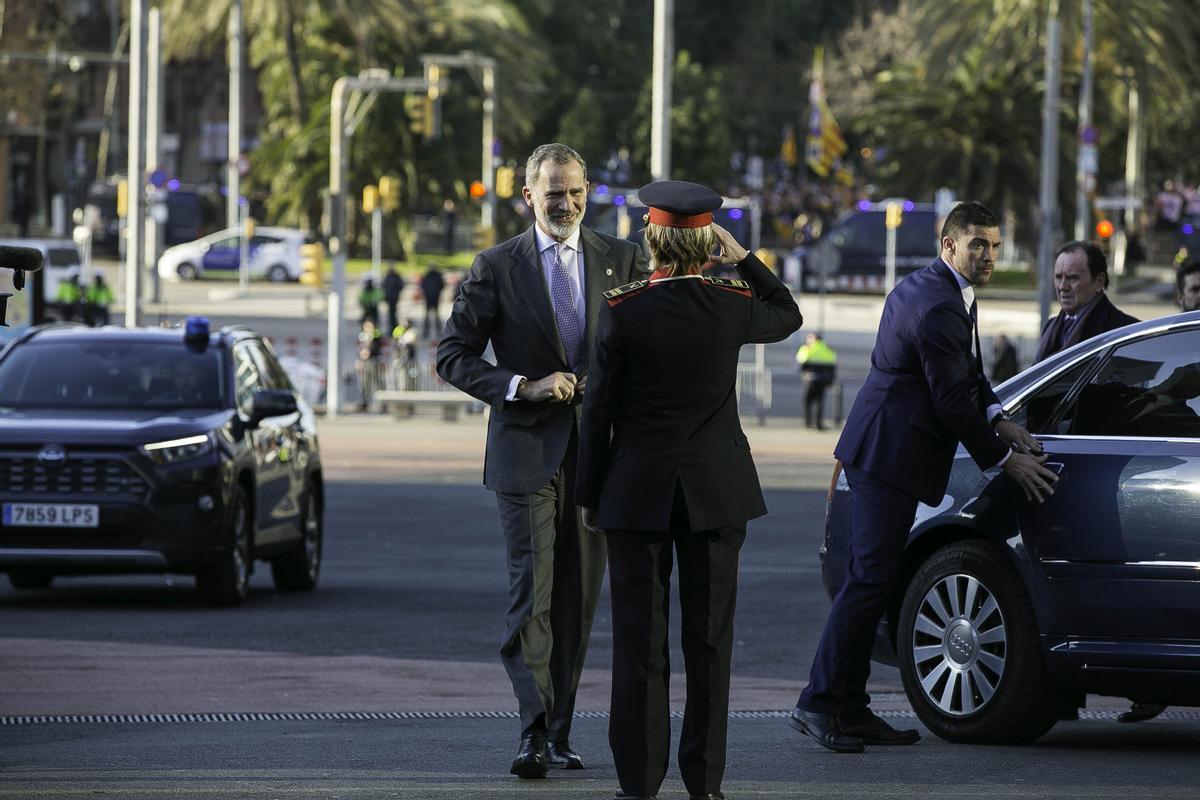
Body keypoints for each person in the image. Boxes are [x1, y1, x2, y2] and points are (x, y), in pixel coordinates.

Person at [792, 201, 1059, 753]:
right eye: (977, 245)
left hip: (885, 449)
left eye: (994, 246)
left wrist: (1002, 420)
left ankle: (852, 706)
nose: (987, 255)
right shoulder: (940, 306)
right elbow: (953, 402)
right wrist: (1006, 460)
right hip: (888, 455)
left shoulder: (934, 290)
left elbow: (972, 377)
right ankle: (818, 703)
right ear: (949, 246)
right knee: (868, 581)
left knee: (875, 579)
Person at [576, 181, 801, 800]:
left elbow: (599, 411)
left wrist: (590, 494)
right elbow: (788, 313)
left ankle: (639, 783)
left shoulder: (621, 308)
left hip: (636, 493)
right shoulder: (730, 303)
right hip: (715, 495)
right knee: (708, 643)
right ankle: (704, 782)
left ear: (650, 238)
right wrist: (745, 258)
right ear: (708, 241)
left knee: (638, 647)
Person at [436, 143, 648, 780]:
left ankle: (559, 732)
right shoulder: (497, 266)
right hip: (526, 452)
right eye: (554, 192)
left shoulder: (623, 259)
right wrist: (520, 385)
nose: (567, 203)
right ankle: (531, 731)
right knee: (533, 597)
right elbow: (452, 354)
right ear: (528, 195)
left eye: (577, 190)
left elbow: (645, 346)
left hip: (597, 457)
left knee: (577, 602)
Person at [1034, 241, 1138, 363]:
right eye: (1058, 277)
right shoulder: (1051, 326)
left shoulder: (1126, 331)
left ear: (1099, 282)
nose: (1062, 286)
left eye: (1073, 278)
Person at [795, 332, 837, 429]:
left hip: (809, 379)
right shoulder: (827, 349)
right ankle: (819, 423)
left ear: (813, 339)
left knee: (807, 401)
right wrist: (830, 381)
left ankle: (808, 422)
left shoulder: (807, 349)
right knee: (819, 402)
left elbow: (800, 363)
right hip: (822, 380)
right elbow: (833, 367)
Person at [419, 265, 446, 338]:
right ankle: (434, 332)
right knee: (432, 316)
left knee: (432, 316)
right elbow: (442, 285)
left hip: (431, 298)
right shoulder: (435, 276)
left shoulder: (428, 276)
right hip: (433, 297)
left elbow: (422, 285)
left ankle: (428, 332)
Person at [382, 262, 405, 335]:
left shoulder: (395, 276)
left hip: (394, 298)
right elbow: (384, 286)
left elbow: (400, 285)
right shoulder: (388, 276)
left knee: (393, 315)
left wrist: (396, 292)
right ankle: (392, 329)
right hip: (389, 298)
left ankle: (394, 329)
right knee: (391, 315)